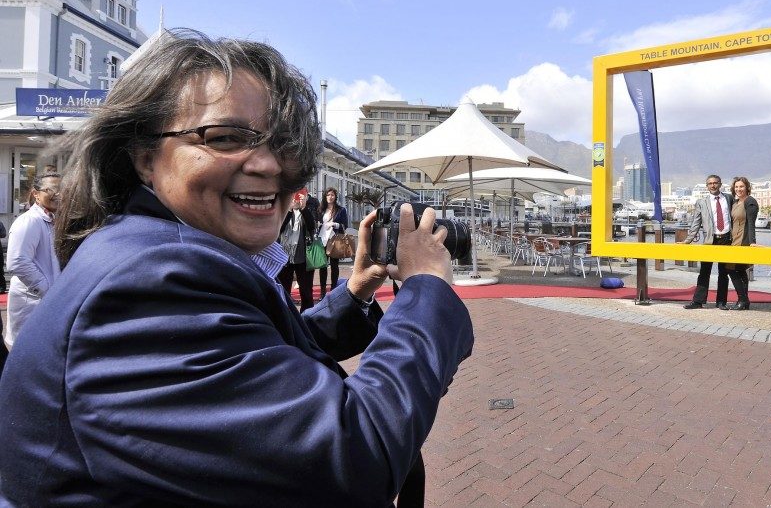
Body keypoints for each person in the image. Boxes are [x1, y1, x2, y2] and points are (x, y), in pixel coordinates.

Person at [0, 30, 473, 506]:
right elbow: (353, 455)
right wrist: (427, 288)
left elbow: (246, 353)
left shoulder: (149, 250)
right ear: (145, 157)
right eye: (224, 138)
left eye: (284, 143)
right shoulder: (148, 282)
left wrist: (353, 294)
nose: (268, 164)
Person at [3, 173, 61, 348]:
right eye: (51, 189)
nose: (57, 194)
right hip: (32, 302)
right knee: (26, 350)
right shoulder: (29, 221)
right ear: (36, 194)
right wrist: (46, 289)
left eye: (61, 190)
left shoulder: (53, 219)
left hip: (46, 300)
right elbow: (18, 261)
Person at [683, 174, 734, 309]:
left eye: (715, 183)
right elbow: (696, 223)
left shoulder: (729, 198)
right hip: (709, 240)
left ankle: (721, 302)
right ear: (707, 186)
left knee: (724, 273)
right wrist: (687, 240)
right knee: (704, 271)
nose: (713, 185)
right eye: (710, 183)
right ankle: (698, 301)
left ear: (720, 184)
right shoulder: (702, 202)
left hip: (726, 239)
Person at [278, 187, 317, 311]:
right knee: (284, 290)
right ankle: (286, 317)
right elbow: (279, 228)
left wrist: (304, 208)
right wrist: (289, 209)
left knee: (306, 291)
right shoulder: (283, 209)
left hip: (304, 255)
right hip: (285, 255)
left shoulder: (310, 207)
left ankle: (306, 318)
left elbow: (312, 226)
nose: (296, 198)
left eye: (299, 195)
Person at [725, 176, 759, 311]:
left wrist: (752, 242)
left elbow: (751, 224)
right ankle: (744, 301)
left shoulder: (750, 202)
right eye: (737, 187)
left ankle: (742, 299)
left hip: (743, 241)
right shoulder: (735, 202)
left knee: (731, 269)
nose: (738, 189)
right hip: (734, 240)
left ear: (747, 188)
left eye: (741, 187)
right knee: (739, 270)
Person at [318, 187, 349, 295]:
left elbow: (345, 225)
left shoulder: (341, 210)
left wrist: (334, 224)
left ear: (335, 197)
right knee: (322, 266)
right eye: (328, 195)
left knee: (334, 265)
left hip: (335, 239)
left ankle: (333, 289)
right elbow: (317, 222)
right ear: (325, 197)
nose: (330, 197)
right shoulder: (321, 209)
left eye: (332, 195)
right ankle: (322, 291)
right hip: (322, 239)